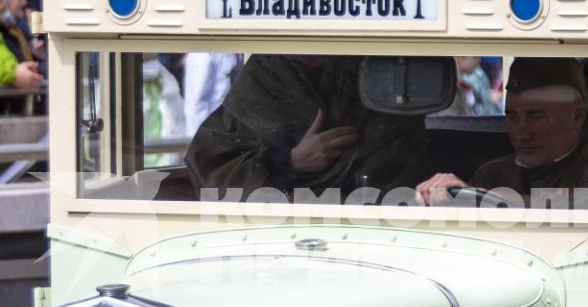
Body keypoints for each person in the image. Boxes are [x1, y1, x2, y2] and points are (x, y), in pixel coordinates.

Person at [185, 52, 432, 198]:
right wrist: (290, 162)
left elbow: (404, 167)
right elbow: (211, 172)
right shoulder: (262, 81)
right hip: (269, 233)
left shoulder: (373, 83)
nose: (313, 56)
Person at [414, 58, 588, 206]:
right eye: (512, 117)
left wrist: (484, 197)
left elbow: (581, 208)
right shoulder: (492, 174)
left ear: (576, 116)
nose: (521, 133)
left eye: (536, 117)